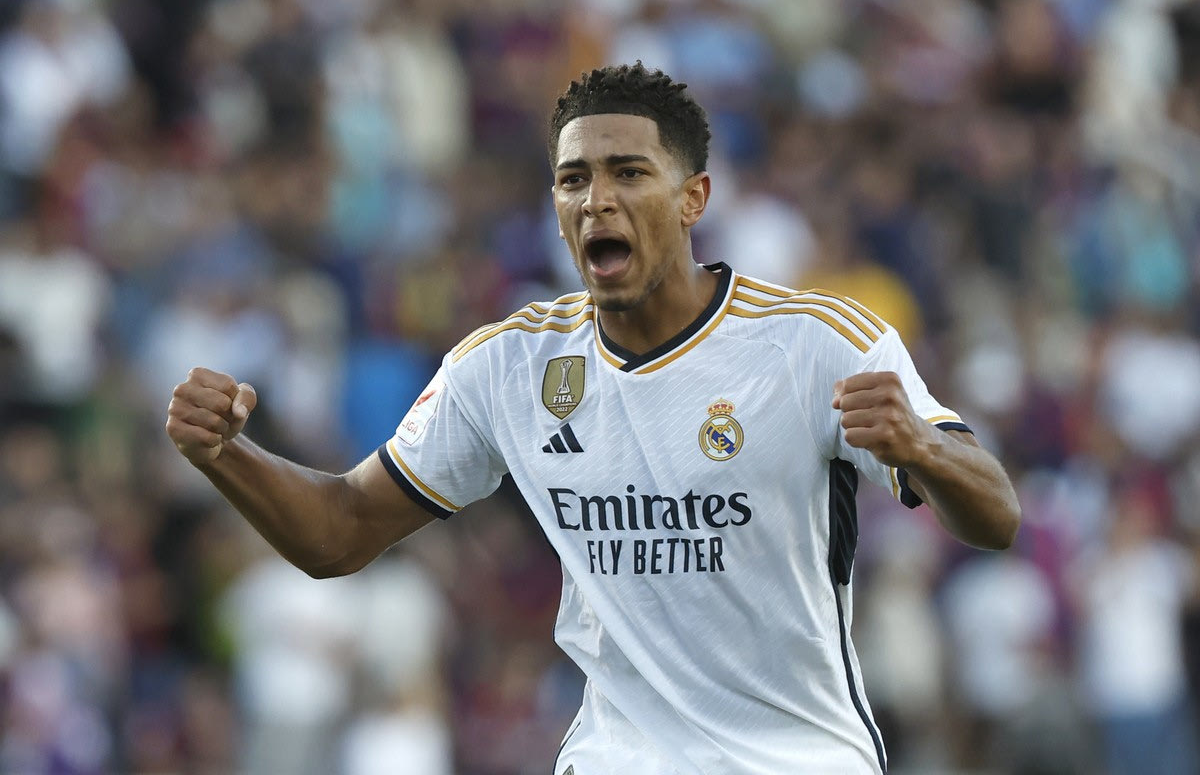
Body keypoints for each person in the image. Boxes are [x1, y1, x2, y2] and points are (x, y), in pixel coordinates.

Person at [165, 63, 1021, 774]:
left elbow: (997, 516)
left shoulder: (814, 343)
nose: (596, 200)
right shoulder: (507, 368)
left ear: (693, 198)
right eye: (574, 179)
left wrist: (923, 449)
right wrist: (225, 455)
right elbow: (339, 532)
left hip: (795, 757)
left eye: (628, 174)